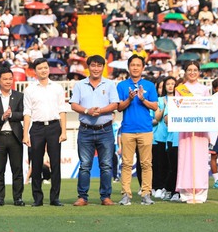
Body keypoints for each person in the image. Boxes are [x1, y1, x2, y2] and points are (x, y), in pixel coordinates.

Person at [69, 55, 119, 206]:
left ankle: (105, 197)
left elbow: (115, 104)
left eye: (99, 65)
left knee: (106, 165)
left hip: (105, 130)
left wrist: (101, 111)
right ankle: (82, 197)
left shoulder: (110, 84)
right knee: (85, 165)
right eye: (93, 65)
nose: (96, 68)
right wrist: (86, 111)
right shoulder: (79, 85)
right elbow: (73, 105)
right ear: (88, 67)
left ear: (103, 67)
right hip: (85, 130)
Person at [23, 58, 69, 207]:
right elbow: (27, 113)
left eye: (45, 67)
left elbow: (62, 110)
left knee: (55, 163)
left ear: (48, 69)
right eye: (40, 68)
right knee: (35, 164)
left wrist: (64, 131)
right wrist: (26, 134)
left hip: (54, 127)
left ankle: (55, 198)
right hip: (36, 128)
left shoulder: (57, 88)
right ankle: (38, 198)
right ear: (35, 71)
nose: (43, 70)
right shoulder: (29, 89)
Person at [116, 55, 158, 206]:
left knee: (146, 164)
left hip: (146, 129)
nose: (135, 67)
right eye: (132, 65)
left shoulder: (149, 85)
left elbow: (155, 106)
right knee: (126, 164)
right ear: (128, 67)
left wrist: (142, 99)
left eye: (138, 65)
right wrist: (129, 99)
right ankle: (126, 194)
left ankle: (146, 194)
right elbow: (119, 107)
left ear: (142, 68)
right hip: (127, 129)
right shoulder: (121, 86)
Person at [0, 67, 25, 206]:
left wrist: (10, 115)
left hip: (15, 136)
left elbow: (23, 114)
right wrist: (1, 117)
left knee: (17, 169)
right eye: (5, 79)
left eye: (10, 78)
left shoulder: (19, 96)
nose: (8, 81)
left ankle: (18, 198)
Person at [175, 61, 210, 203]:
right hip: (186, 129)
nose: (192, 72)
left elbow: (208, 107)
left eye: (195, 70)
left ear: (199, 72)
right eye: (189, 70)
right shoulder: (180, 89)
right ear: (185, 72)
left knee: (200, 158)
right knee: (186, 157)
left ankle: (200, 190)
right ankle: (186, 191)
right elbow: (177, 106)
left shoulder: (204, 89)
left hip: (200, 129)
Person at [153, 76, 180, 201]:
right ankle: (161, 187)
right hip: (161, 135)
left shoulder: (180, 100)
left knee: (172, 165)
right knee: (161, 163)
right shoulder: (159, 100)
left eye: (172, 83)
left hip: (175, 135)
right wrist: (165, 107)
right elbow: (158, 117)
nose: (170, 86)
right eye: (168, 84)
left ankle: (170, 188)